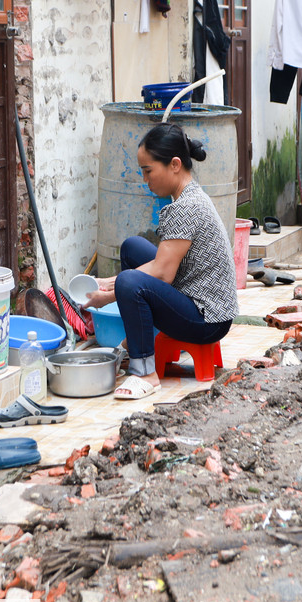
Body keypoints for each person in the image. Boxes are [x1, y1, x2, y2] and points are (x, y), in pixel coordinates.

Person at [86, 122, 238, 399]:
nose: (146, 180)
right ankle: (140, 340)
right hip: (200, 299)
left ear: (175, 164)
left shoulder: (186, 208)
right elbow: (163, 267)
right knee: (132, 248)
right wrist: (109, 283)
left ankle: (145, 372)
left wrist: (108, 293)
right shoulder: (192, 196)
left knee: (131, 282)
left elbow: (162, 274)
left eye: (148, 171)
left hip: (208, 320)